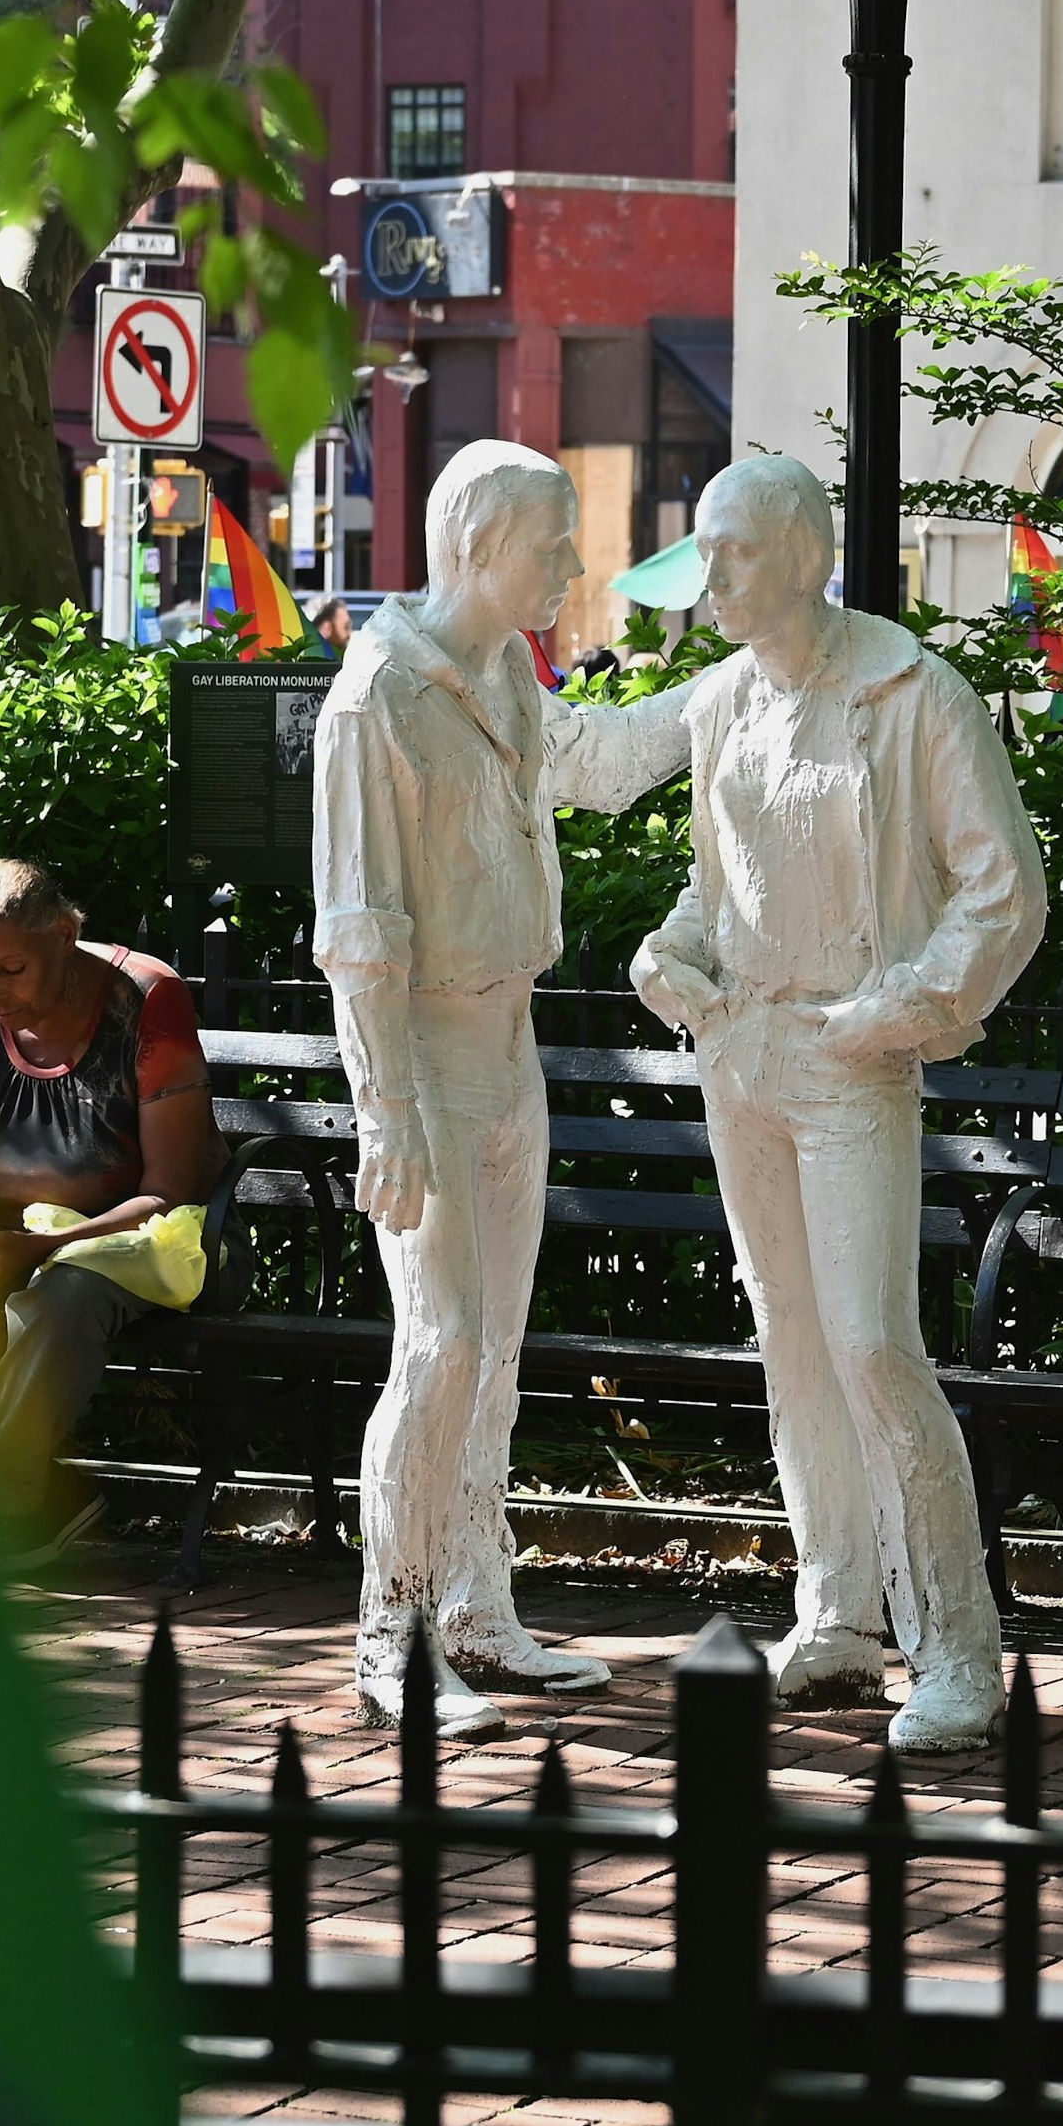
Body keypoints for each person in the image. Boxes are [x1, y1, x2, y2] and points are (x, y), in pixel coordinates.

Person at [627, 456, 1046, 1752]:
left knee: (872, 1345)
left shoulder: (913, 691)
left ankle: (957, 1645)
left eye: (736, 550)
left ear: (807, 552)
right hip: (743, 1054)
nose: (716, 578)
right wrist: (673, 953)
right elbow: (723, 881)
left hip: (855, 1057)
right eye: (705, 552)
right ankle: (841, 1610)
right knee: (795, 1344)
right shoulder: (724, 706)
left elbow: (1003, 886)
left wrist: (899, 1010)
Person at [314, 442, 702, 1736]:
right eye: (552, 543)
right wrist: (387, 1113)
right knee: (436, 1350)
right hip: (423, 1060)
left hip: (508, 1046)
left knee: (494, 1354)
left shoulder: (507, 673)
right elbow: (357, 927)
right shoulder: (378, 698)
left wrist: (740, 682)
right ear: (477, 543)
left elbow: (594, 763)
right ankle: (394, 1629)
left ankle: (478, 1608)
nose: (571, 566)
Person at [0, 860, 222, 1538]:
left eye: (11, 969)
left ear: (65, 934)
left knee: (64, 1293)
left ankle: (4, 1512)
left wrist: (43, 1245)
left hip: (161, 1244)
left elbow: (171, 1193)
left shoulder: (145, 997)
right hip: (8, 1245)